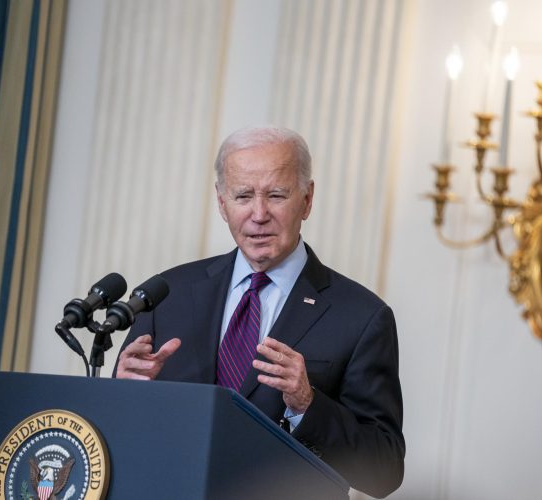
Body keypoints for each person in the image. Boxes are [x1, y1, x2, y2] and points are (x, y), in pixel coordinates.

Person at [114, 126, 404, 497]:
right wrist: (125, 394)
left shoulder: (362, 317)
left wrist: (307, 405)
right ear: (222, 203)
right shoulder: (167, 294)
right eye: (243, 195)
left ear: (307, 199)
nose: (259, 214)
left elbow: (384, 471)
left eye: (276, 195)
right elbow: (122, 434)